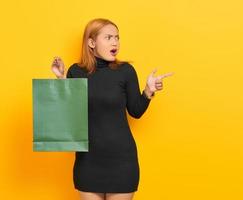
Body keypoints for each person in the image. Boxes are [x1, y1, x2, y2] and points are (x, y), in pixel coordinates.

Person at [51, 18, 173, 200]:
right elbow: (70, 117)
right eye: (108, 37)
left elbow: (136, 111)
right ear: (91, 43)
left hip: (122, 161)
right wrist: (62, 80)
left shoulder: (126, 71)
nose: (115, 42)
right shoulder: (75, 72)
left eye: (117, 37)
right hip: (88, 161)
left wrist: (148, 91)